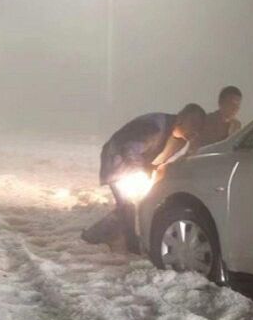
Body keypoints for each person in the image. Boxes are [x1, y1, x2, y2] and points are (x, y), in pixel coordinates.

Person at [85, 103, 205, 253]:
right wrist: (139, 171)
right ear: (182, 118)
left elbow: (157, 158)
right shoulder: (153, 127)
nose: (194, 130)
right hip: (117, 160)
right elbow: (129, 149)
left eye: (198, 126)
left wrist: (150, 170)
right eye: (192, 123)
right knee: (127, 207)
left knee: (127, 207)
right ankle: (125, 244)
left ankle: (102, 236)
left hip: (134, 164)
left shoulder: (180, 140)